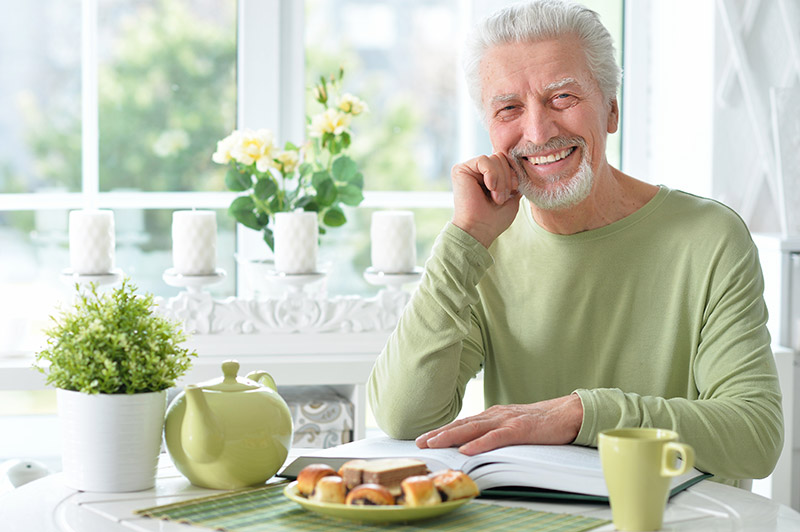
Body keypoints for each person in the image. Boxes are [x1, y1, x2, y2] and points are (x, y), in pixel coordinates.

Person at [366, 0, 783, 487]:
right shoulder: (485, 248)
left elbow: (755, 439)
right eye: (509, 108)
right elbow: (404, 416)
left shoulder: (709, 238)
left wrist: (581, 415)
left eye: (562, 97)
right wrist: (465, 239)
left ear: (611, 109)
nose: (538, 132)